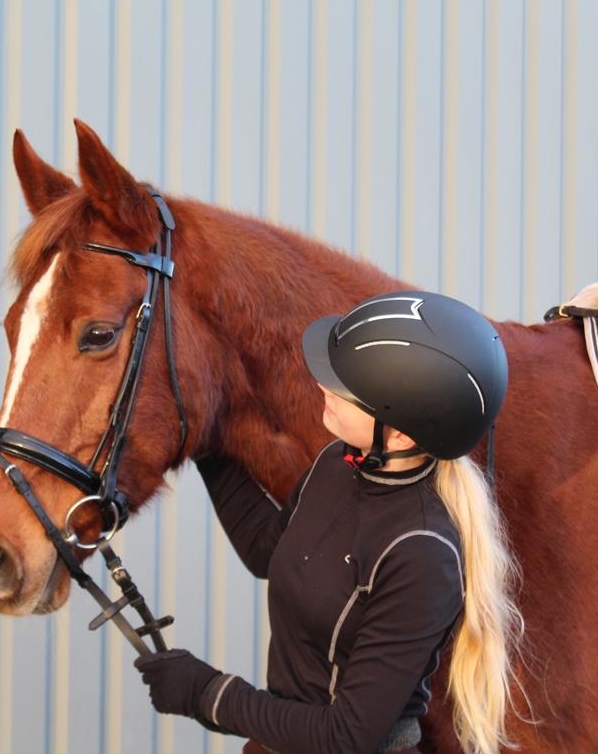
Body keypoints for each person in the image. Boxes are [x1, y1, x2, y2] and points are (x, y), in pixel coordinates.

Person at [134, 291, 524, 754]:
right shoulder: (339, 462)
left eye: (347, 388)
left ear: (399, 431)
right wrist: (205, 433)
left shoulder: (422, 552)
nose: (323, 386)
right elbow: (271, 550)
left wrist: (207, 694)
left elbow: (346, 737)